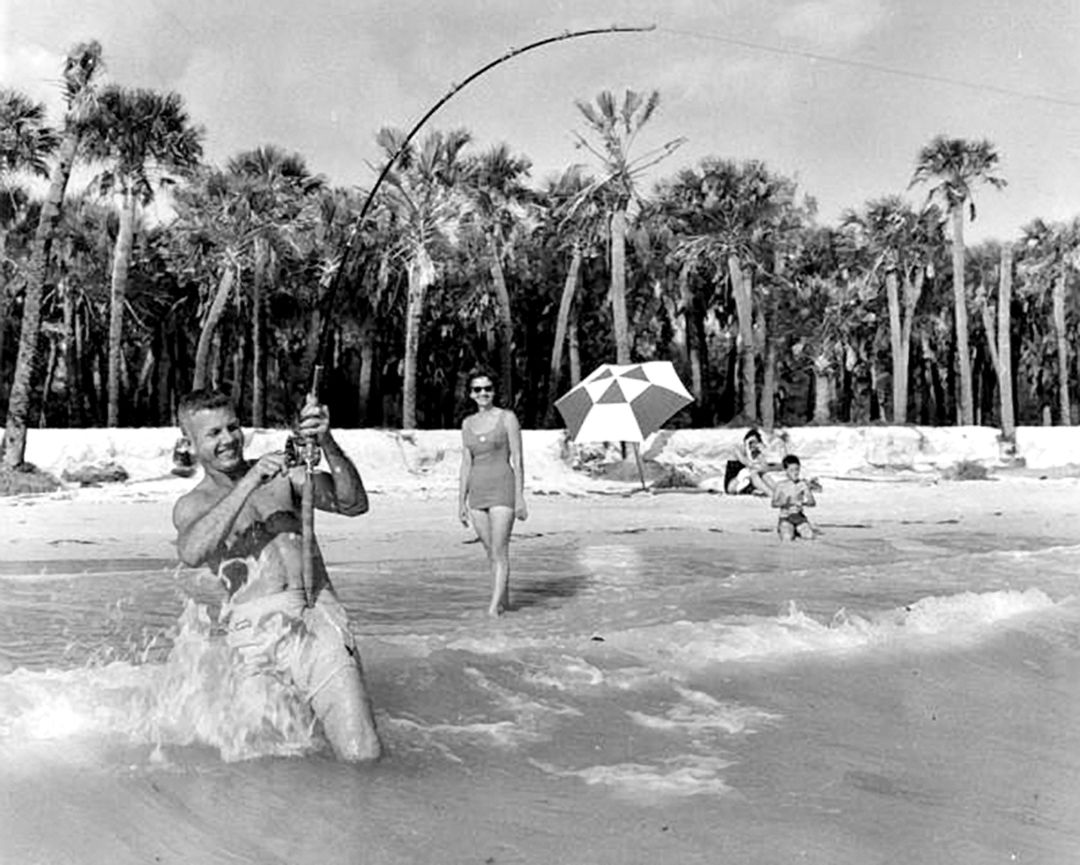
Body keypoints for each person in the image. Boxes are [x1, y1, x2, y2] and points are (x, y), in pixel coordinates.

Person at [171, 388, 382, 762]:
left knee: (361, 752)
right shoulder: (193, 505)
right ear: (189, 443)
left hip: (316, 616)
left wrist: (327, 443)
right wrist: (248, 481)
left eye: (232, 427)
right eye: (214, 433)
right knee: (269, 764)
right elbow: (192, 552)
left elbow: (354, 504)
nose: (228, 440)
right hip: (254, 636)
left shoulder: (284, 476)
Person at [458, 369, 528, 617]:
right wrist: (460, 502)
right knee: (490, 552)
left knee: (500, 550)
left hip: (502, 488)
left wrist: (519, 498)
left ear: (494, 391)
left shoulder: (507, 418)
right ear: (471, 394)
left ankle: (493, 610)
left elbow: (518, 459)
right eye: (477, 389)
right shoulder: (467, 424)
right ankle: (504, 602)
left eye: (487, 388)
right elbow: (466, 463)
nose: (483, 393)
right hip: (477, 492)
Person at [771, 454, 819, 541]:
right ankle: (786, 529)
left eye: (797, 469)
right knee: (787, 537)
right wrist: (784, 502)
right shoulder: (780, 486)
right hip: (786, 517)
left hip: (799, 517)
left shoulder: (802, 485)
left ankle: (797, 529)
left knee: (809, 536)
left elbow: (812, 502)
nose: (795, 472)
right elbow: (773, 503)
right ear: (786, 471)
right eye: (792, 470)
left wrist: (802, 502)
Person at [724, 428, 784, 495]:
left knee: (762, 474)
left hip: (747, 483)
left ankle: (780, 491)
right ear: (746, 440)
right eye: (750, 442)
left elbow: (764, 467)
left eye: (755, 443)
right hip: (732, 485)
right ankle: (771, 494)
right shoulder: (737, 449)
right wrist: (749, 450)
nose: (752, 445)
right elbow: (748, 463)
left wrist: (762, 452)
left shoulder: (755, 452)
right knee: (753, 472)